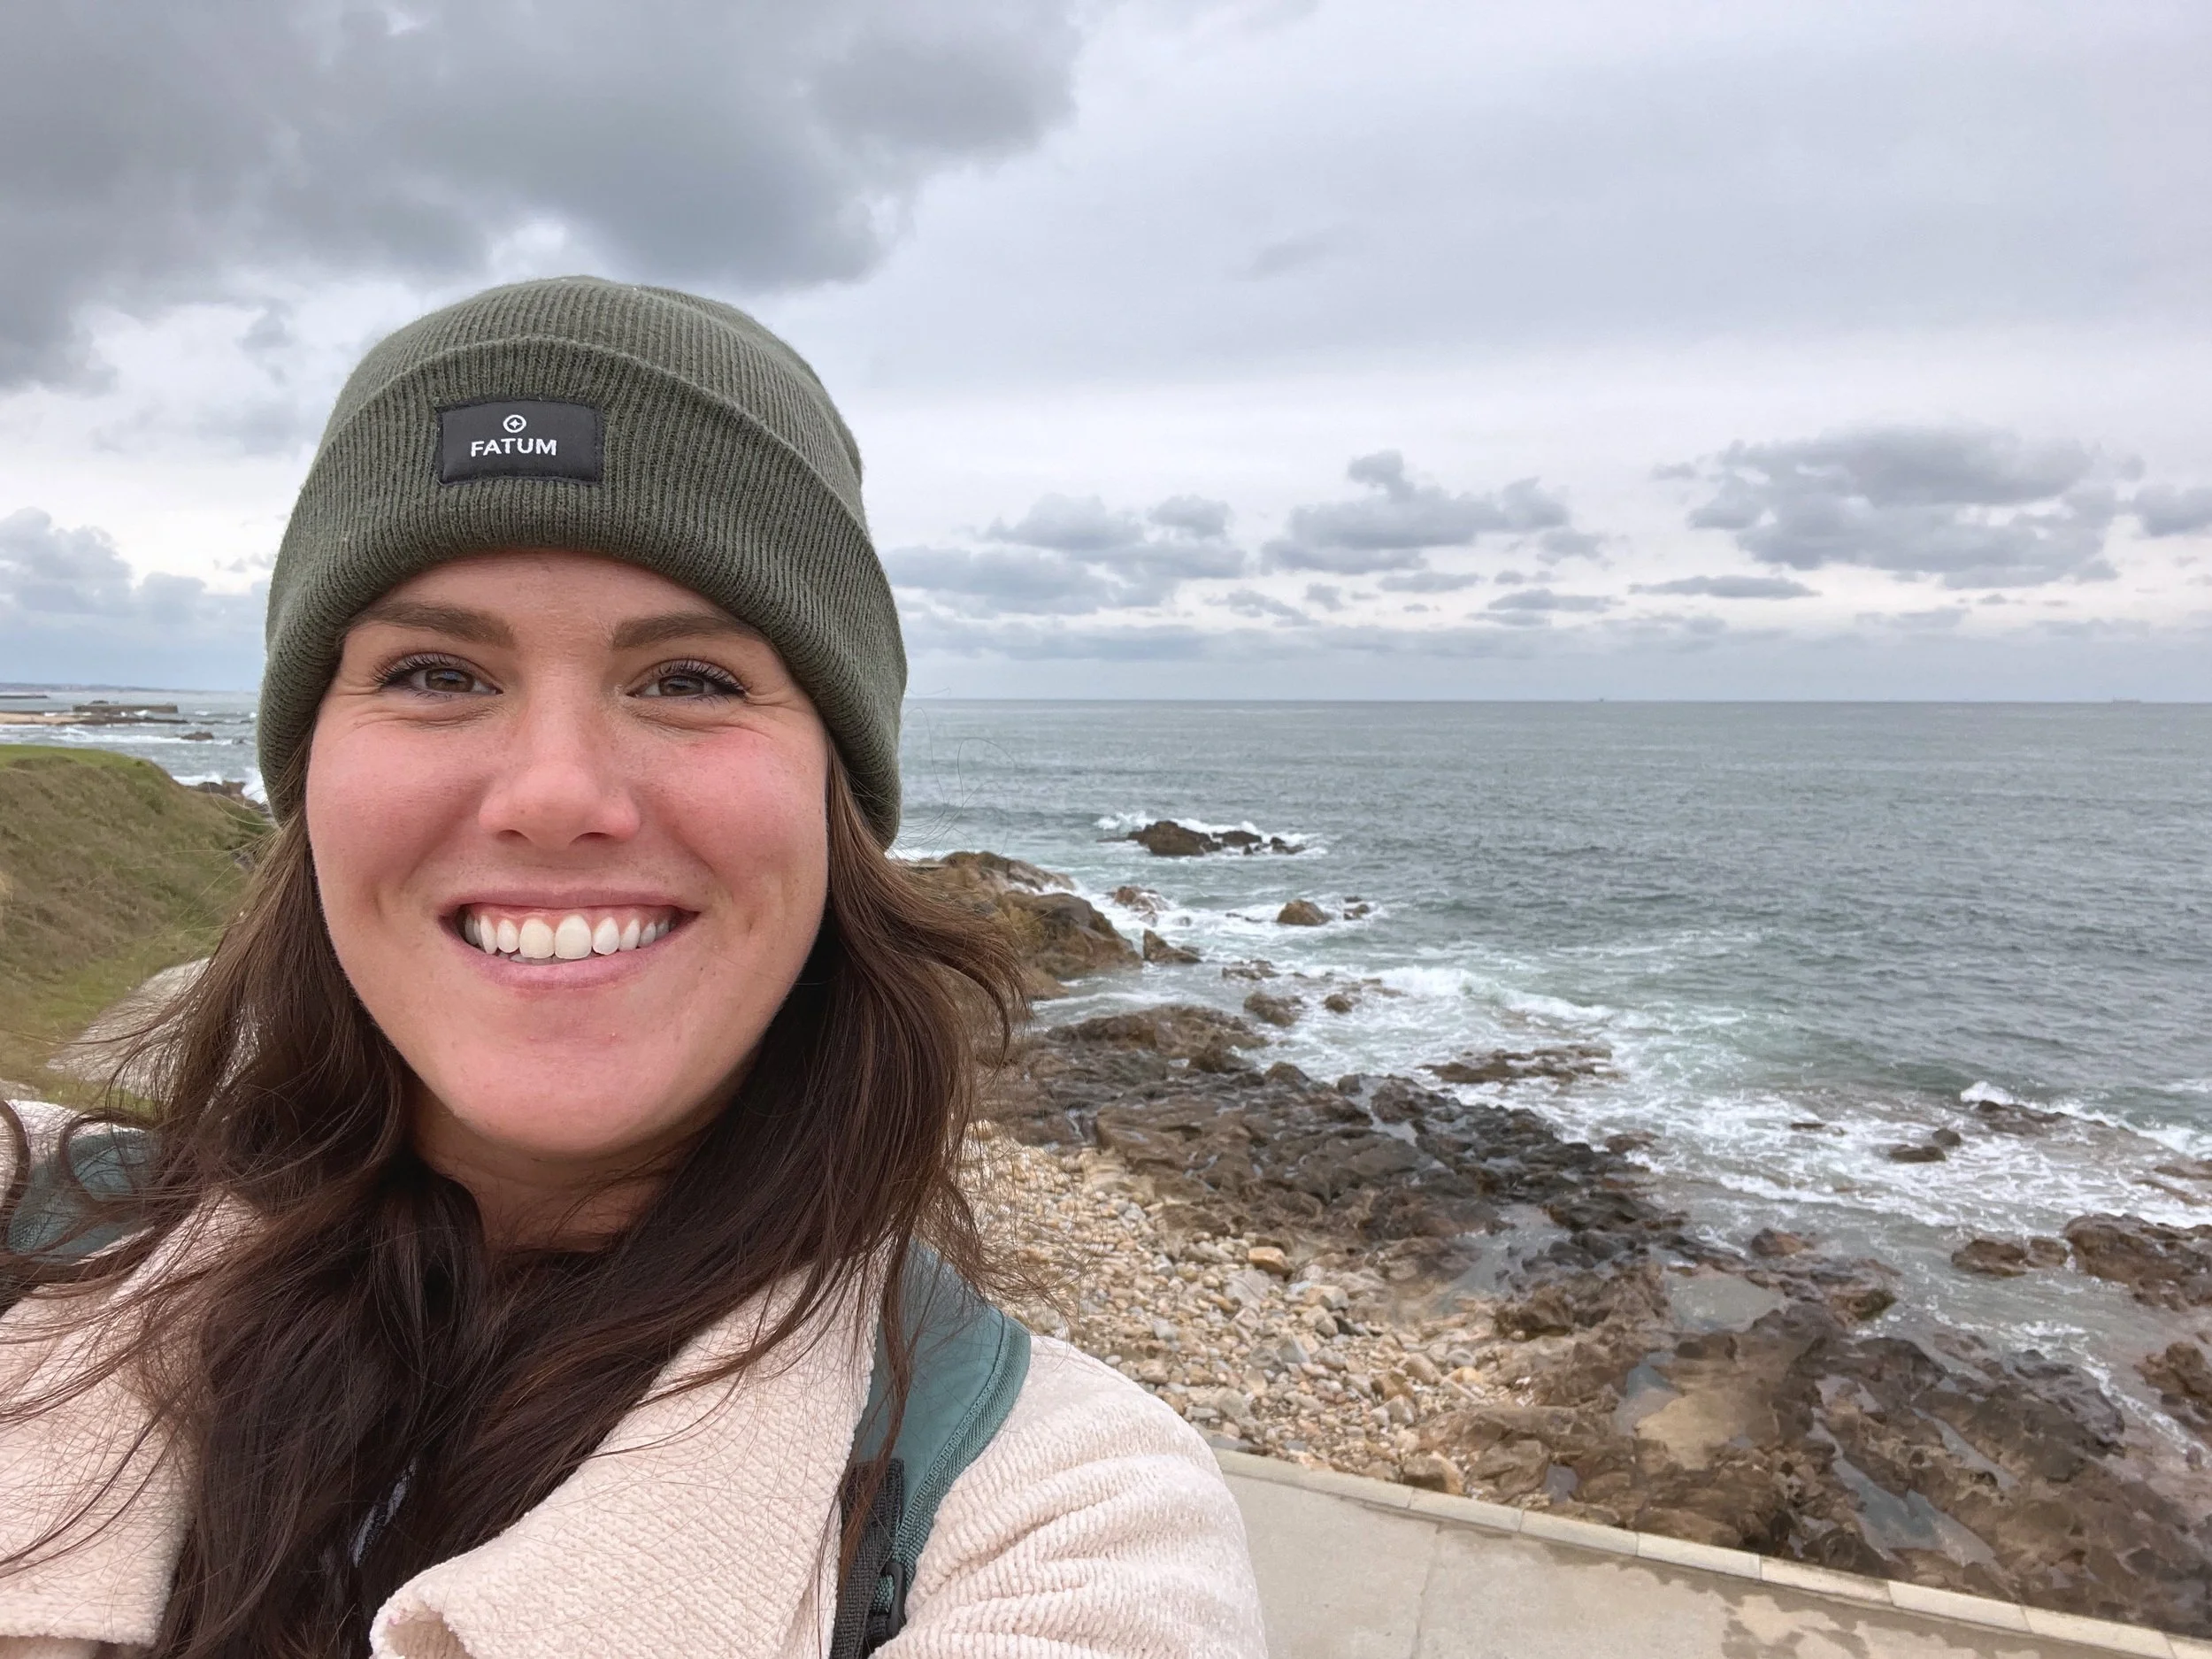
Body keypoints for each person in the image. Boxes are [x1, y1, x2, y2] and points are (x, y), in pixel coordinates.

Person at [0, 278, 1267, 1659]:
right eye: (435, 672)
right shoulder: (36, 1241)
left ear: (836, 796)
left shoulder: (1054, 1517)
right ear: (309, 774)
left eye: (691, 679)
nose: (554, 793)